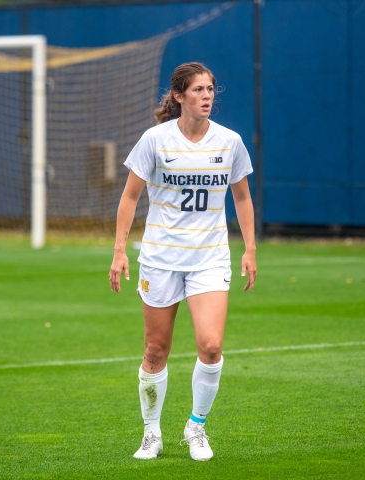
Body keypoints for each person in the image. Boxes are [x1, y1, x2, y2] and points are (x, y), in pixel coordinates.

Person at [109, 62, 257, 461]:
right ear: (179, 96)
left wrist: (250, 249)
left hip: (210, 258)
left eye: (210, 89)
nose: (207, 96)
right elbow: (130, 197)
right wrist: (120, 250)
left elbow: (242, 197)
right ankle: (151, 433)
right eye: (198, 90)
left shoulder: (229, 142)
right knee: (155, 350)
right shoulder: (155, 140)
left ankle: (196, 427)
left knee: (211, 346)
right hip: (160, 259)